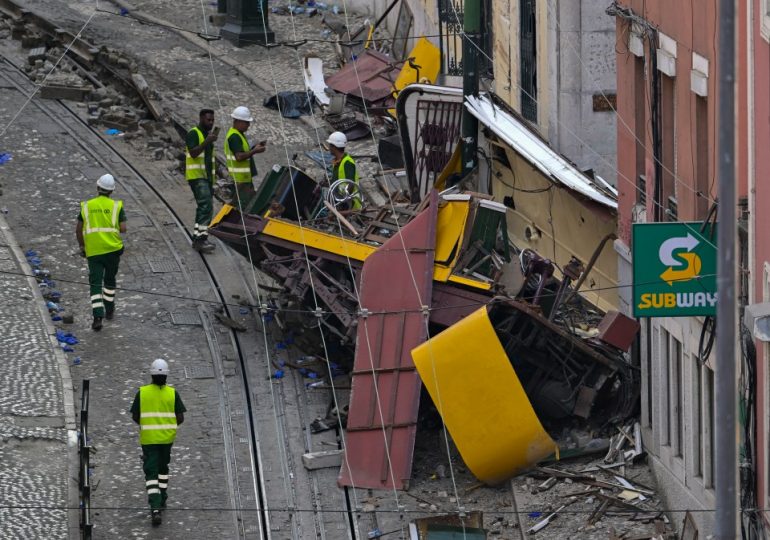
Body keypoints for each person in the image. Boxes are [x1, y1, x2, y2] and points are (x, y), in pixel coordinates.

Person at [130, 359, 186, 526]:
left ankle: (155, 507)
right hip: (167, 440)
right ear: (166, 376)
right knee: (163, 469)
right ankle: (162, 497)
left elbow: (135, 416)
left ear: (152, 375)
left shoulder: (142, 393)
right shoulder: (172, 393)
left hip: (149, 440)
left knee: (151, 473)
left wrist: (147, 425)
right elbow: (180, 418)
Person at [76, 174, 126, 331]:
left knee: (95, 283)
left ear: (97, 188)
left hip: (94, 252)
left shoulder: (87, 206)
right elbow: (123, 229)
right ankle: (109, 309)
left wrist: (83, 247)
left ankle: (98, 316)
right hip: (113, 250)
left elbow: (78, 229)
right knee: (110, 281)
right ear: (111, 191)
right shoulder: (117, 206)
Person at [185, 108, 218, 253]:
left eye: (212, 120)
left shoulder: (207, 135)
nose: (210, 122)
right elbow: (193, 153)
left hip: (206, 177)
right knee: (205, 207)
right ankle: (199, 241)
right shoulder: (194, 133)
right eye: (208, 119)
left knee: (205, 208)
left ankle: (199, 237)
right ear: (201, 119)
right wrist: (207, 142)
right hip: (197, 176)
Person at [224, 106, 266, 209]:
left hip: (244, 179)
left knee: (247, 204)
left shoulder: (239, 134)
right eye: (246, 122)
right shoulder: (234, 136)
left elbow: (243, 152)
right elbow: (239, 157)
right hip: (240, 180)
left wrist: (254, 148)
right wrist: (255, 151)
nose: (248, 125)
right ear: (238, 121)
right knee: (242, 208)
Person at [327, 131, 361, 210]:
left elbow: (351, 184)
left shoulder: (347, 163)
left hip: (351, 205)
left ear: (334, 147)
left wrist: (343, 202)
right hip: (341, 200)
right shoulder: (337, 162)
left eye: (330, 145)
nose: (329, 148)